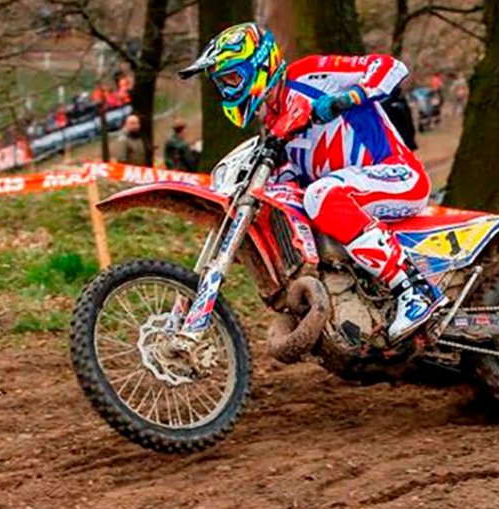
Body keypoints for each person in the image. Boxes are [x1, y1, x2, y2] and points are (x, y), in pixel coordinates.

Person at [179, 23, 442, 345]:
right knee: (293, 197)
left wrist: (344, 99)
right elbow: (297, 173)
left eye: (232, 78)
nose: (227, 89)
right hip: (354, 193)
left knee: (321, 195)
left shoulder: (310, 75)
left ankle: (414, 290)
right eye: (222, 83)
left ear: (257, 65)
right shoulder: (275, 122)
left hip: (397, 175)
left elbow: (390, 67)